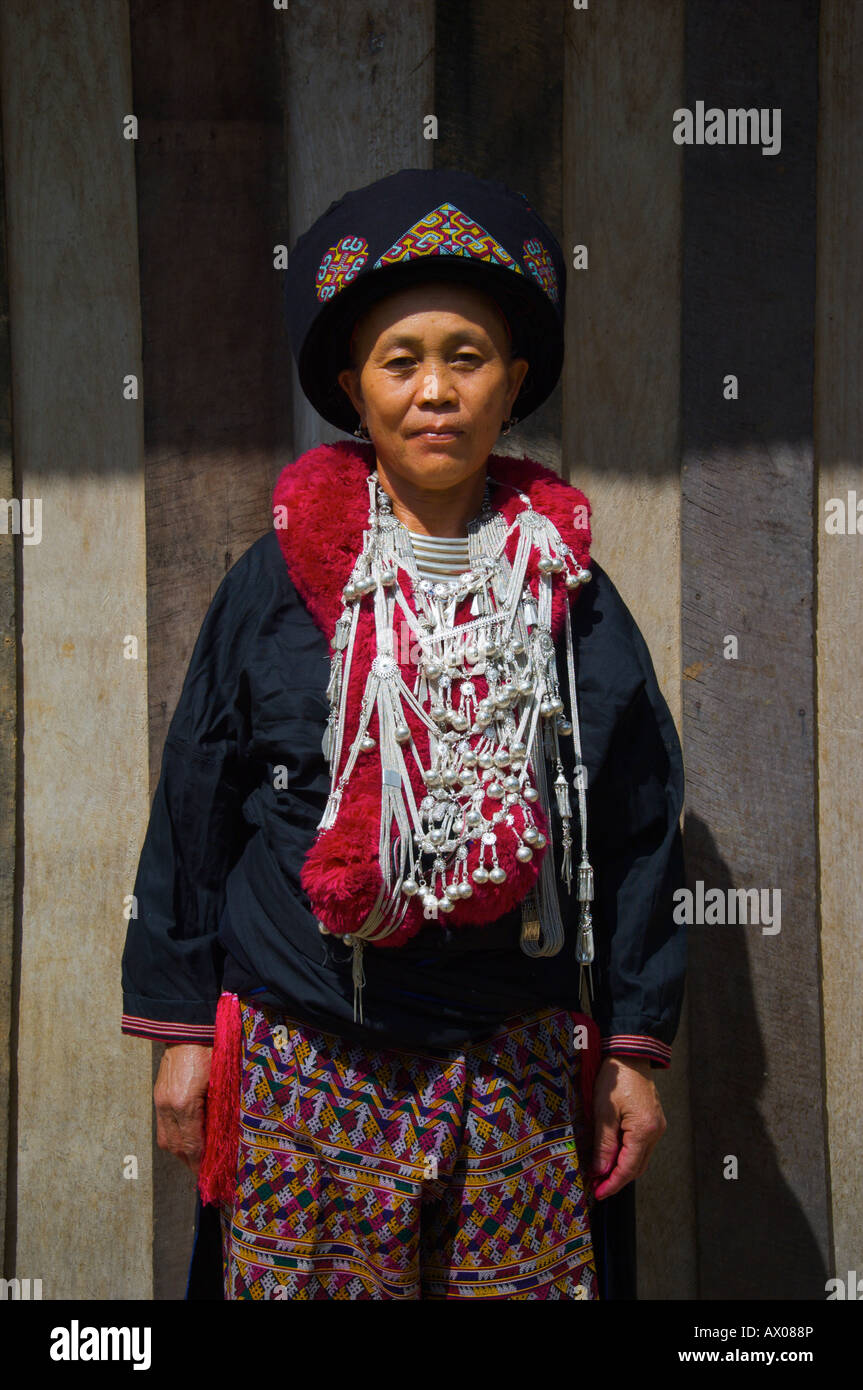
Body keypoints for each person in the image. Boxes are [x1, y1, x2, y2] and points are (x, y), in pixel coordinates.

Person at [122, 168, 686, 1301]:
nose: (435, 390)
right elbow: (194, 809)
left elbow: (634, 829)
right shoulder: (273, 581)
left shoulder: (566, 593)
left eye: (466, 358)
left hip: (516, 1061)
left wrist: (630, 1045)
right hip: (301, 1048)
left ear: (511, 383)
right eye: (401, 360)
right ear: (354, 388)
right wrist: (182, 1031)